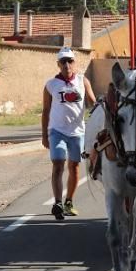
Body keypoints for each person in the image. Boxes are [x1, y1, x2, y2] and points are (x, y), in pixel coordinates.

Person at [42, 47, 96, 221]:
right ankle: (57, 202)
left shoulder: (82, 81)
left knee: (74, 167)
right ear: (58, 64)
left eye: (70, 61)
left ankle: (69, 202)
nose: (67, 65)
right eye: (63, 61)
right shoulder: (51, 85)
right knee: (58, 164)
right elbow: (45, 110)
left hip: (77, 132)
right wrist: (44, 135)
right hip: (56, 131)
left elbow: (93, 102)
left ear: (74, 63)